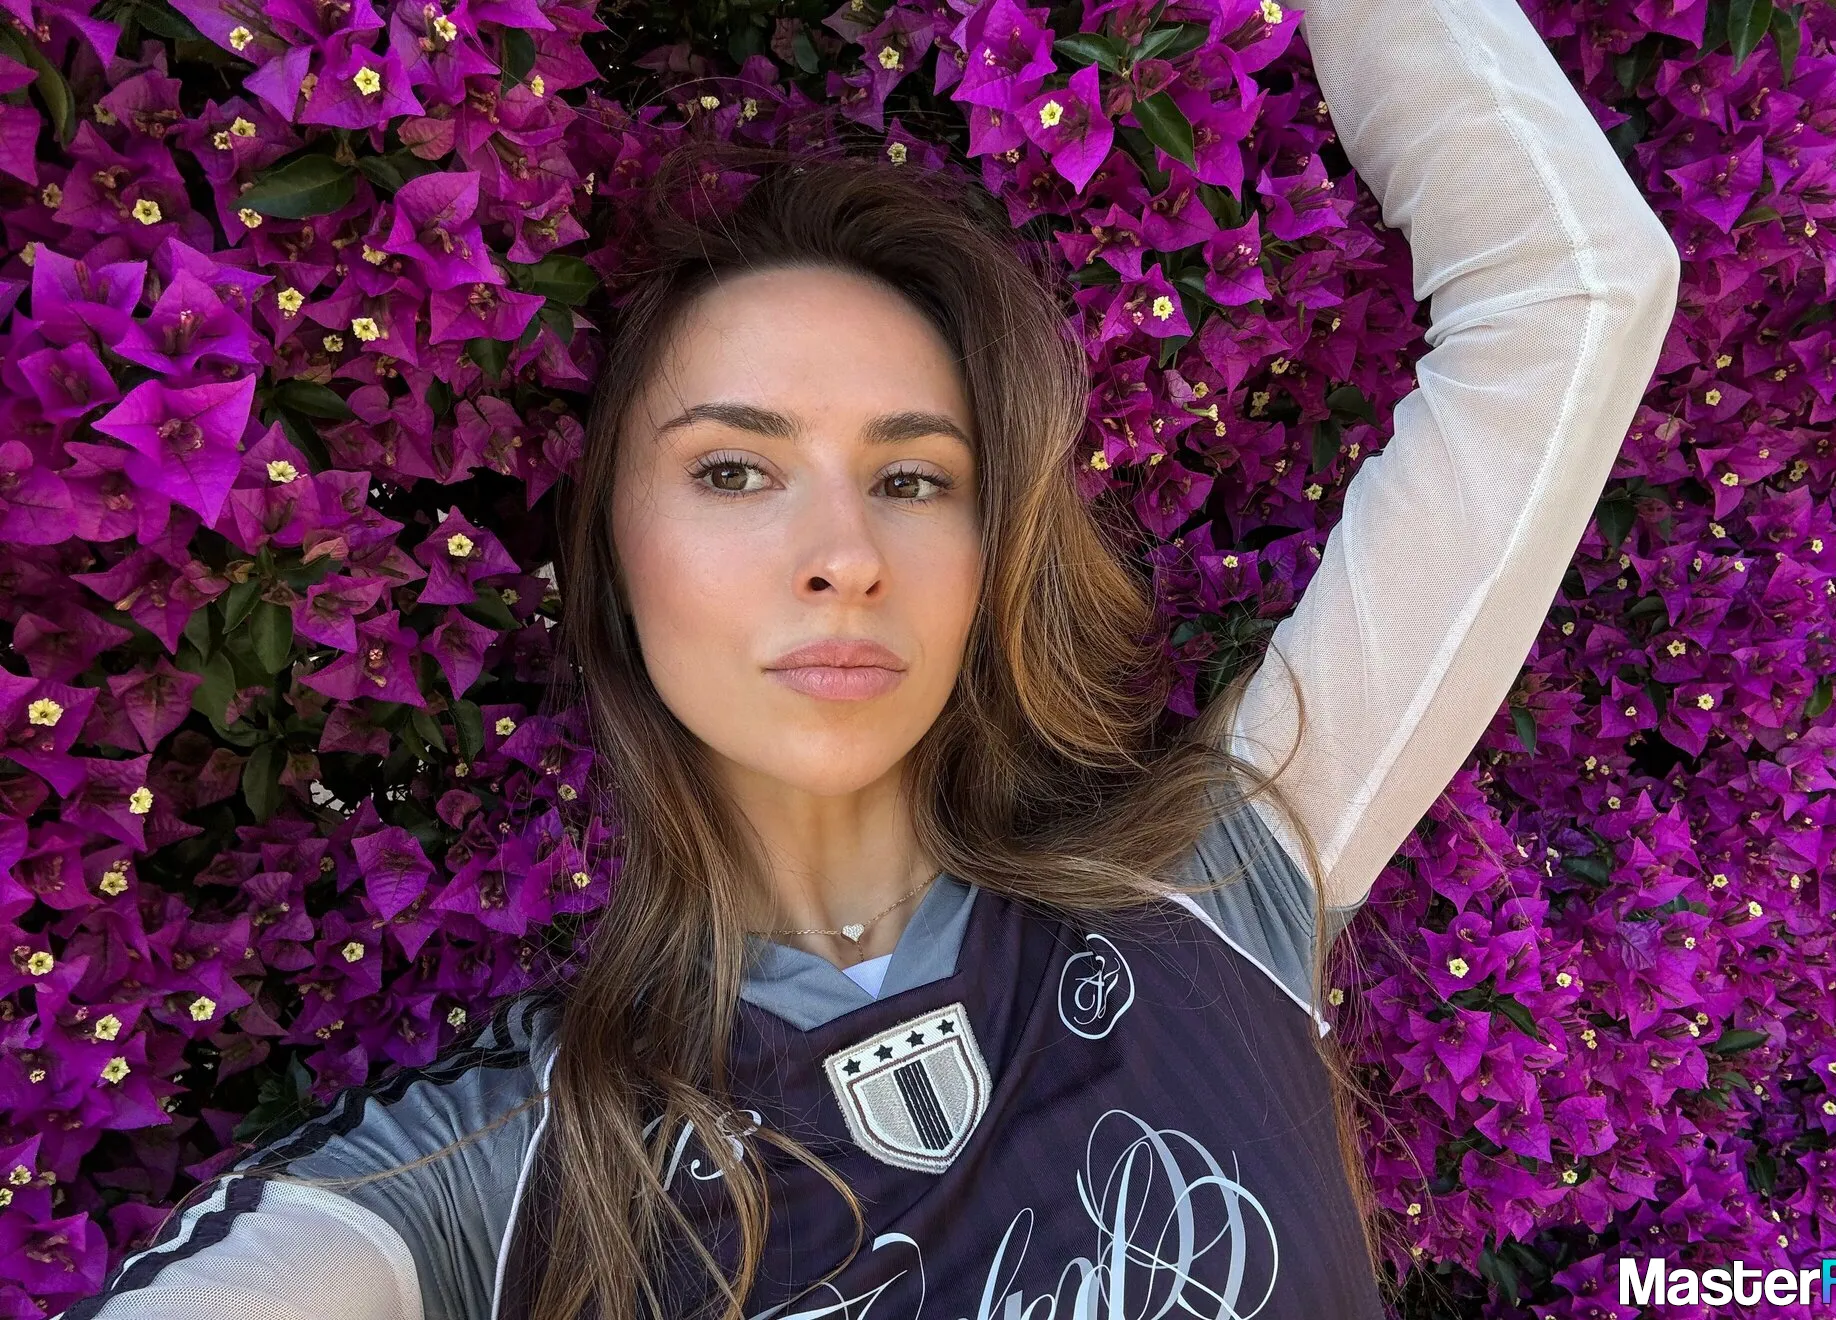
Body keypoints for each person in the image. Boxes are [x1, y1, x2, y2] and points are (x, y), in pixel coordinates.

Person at [55, 0, 1681, 1312]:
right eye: (733, 470)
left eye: (915, 478)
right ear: (608, 561)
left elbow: (1575, 291)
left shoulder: (1221, 888)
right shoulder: (491, 1173)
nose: (843, 551)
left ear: (989, 562)